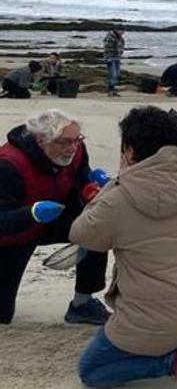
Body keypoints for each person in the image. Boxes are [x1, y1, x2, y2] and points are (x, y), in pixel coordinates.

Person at [72, 106, 177, 389]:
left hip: (160, 319)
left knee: (91, 370)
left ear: (129, 150)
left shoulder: (119, 198)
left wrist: (117, 180)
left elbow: (81, 233)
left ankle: (174, 361)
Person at [1, 109, 109, 326]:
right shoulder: (9, 164)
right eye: (64, 142)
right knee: (2, 316)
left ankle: (82, 304)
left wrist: (90, 187)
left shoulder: (76, 151)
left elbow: (80, 179)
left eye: (77, 140)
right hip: (13, 236)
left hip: (55, 219)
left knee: (100, 224)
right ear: (41, 140)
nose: (72, 148)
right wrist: (30, 213)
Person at [102, 28, 125, 97]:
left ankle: (113, 89)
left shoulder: (121, 38)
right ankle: (110, 90)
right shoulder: (110, 37)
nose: (122, 33)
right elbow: (106, 47)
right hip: (110, 58)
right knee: (113, 74)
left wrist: (120, 54)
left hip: (117, 58)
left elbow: (122, 47)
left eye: (123, 32)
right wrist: (108, 57)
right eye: (121, 31)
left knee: (117, 74)